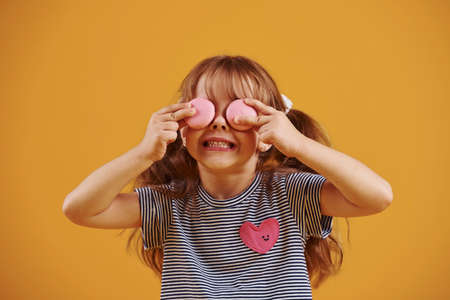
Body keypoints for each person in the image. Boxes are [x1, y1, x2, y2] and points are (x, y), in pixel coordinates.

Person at [63, 55, 393, 300]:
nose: (219, 122)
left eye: (237, 111)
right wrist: (143, 153)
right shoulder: (168, 204)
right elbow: (79, 209)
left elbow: (377, 197)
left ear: (268, 133)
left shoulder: (291, 195)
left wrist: (298, 144)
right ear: (182, 126)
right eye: (205, 108)